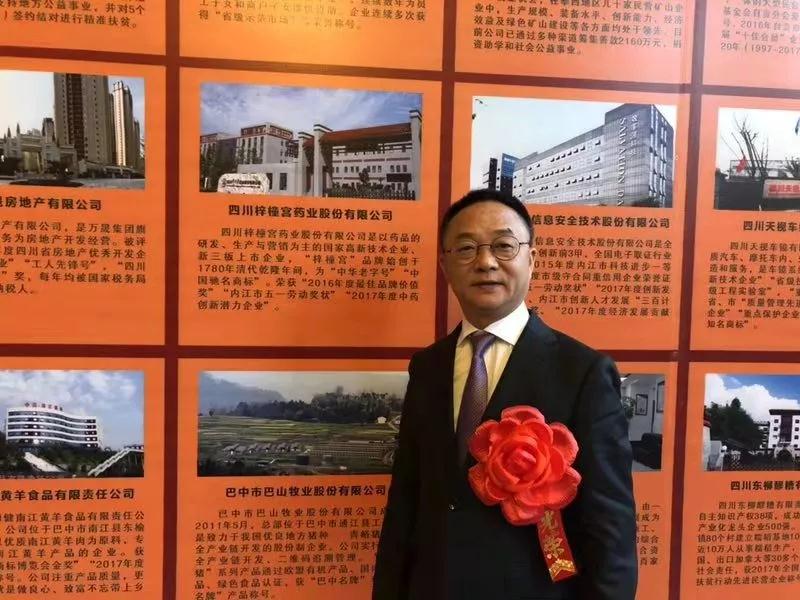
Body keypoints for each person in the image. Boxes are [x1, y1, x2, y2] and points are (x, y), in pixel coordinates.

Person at [372, 189, 637, 600]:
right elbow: (406, 502)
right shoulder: (427, 367)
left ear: (531, 258)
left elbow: (611, 531)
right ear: (444, 266)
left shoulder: (582, 372)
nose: (485, 262)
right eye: (466, 248)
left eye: (503, 245)